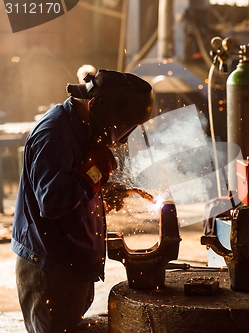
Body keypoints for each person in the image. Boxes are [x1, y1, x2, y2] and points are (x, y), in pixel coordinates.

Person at [11, 69, 152, 332]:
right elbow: (53, 202)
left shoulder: (81, 129)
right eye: (122, 127)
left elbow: (74, 185)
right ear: (98, 106)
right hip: (49, 270)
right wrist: (94, 174)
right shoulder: (55, 135)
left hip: (70, 266)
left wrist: (104, 191)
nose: (121, 138)